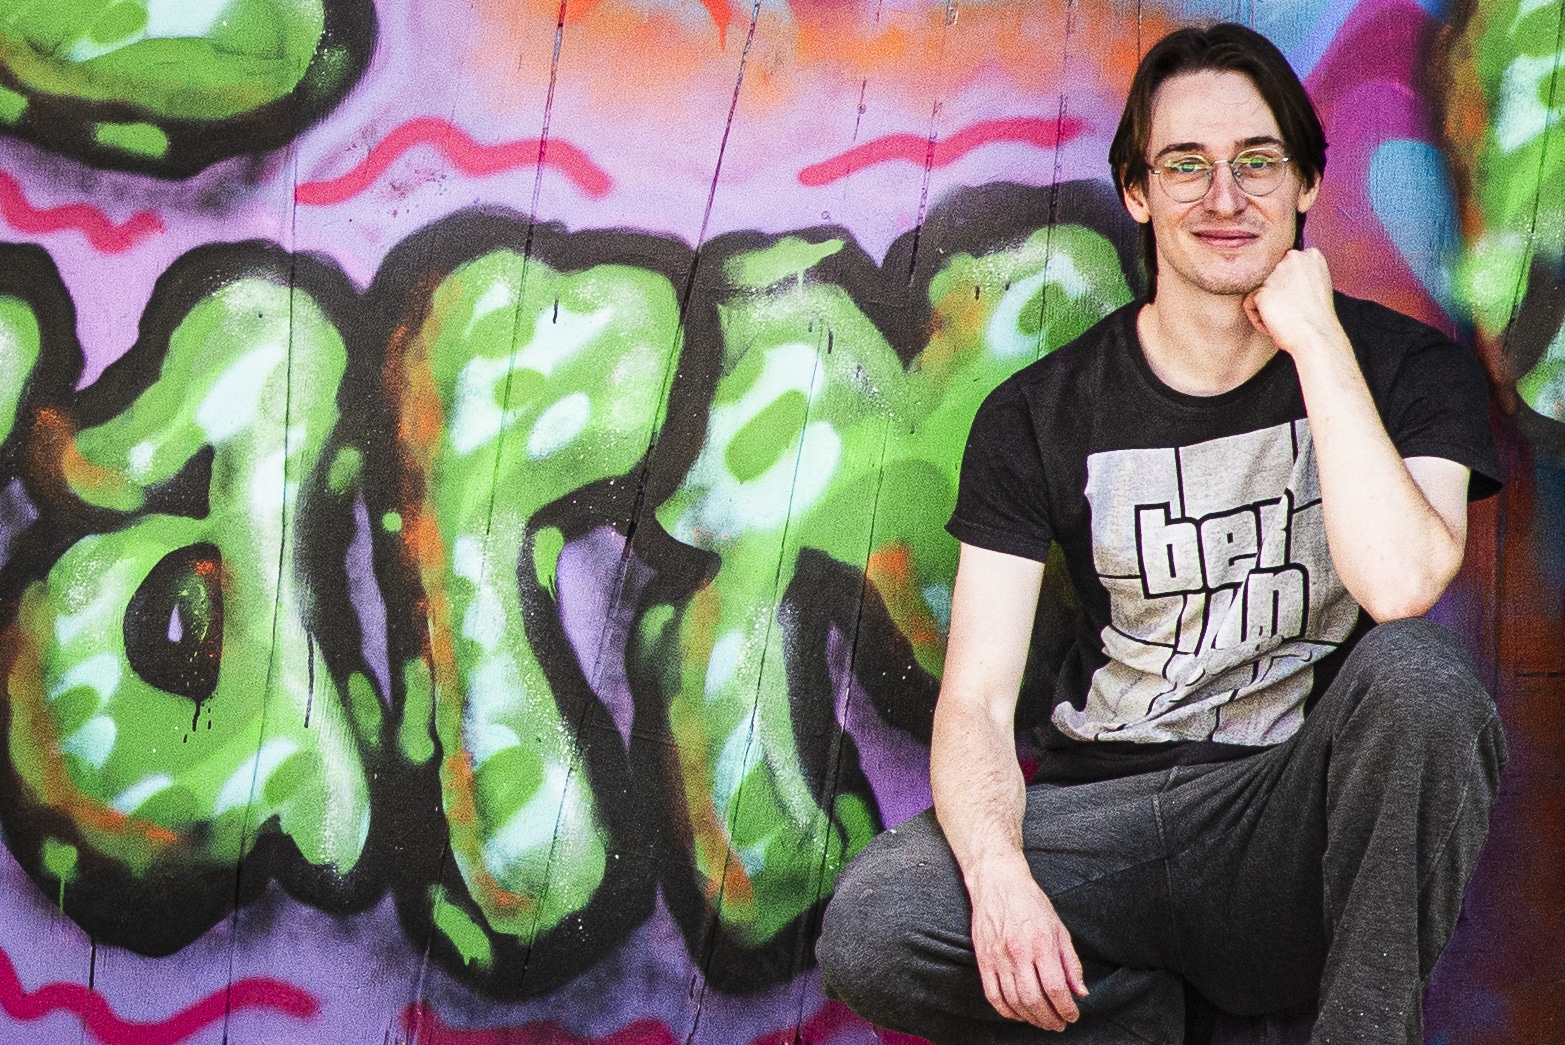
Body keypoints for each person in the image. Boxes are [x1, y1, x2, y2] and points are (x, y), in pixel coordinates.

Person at [816, 22, 1506, 1045]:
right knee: (875, 922)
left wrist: (1315, 340)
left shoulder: (1406, 372)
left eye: (1256, 163)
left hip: (1283, 820)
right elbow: (974, 696)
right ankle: (1143, 1024)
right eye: (1184, 165)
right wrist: (1001, 881)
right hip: (1105, 821)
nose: (1222, 199)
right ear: (1136, 193)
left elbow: (1401, 583)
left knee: (1422, 677)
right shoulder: (1037, 414)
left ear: (1306, 181)